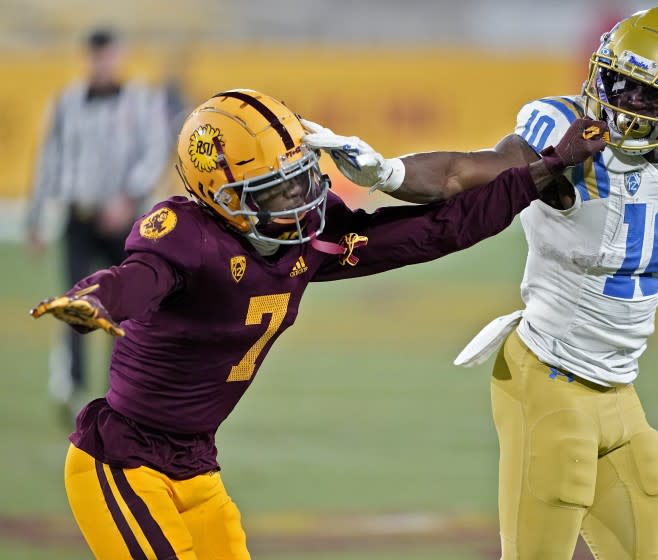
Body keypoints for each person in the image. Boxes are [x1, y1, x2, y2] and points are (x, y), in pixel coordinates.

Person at [29, 89, 608, 559]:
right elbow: (140, 275)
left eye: (301, 178)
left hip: (196, 465)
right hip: (124, 460)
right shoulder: (188, 238)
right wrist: (98, 299)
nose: (299, 199)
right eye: (274, 190)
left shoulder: (308, 237)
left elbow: (434, 231)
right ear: (220, 196)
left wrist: (545, 170)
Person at [302, 7, 658, 559]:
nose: (621, 103)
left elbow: (643, 235)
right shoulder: (569, 141)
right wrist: (386, 173)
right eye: (616, 81)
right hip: (549, 376)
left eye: (645, 95)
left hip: (620, 389)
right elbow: (463, 173)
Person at [26, 27, 169, 421]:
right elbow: (50, 159)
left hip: (124, 218)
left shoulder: (140, 101)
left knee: (123, 306)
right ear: (88, 57)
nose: (102, 63)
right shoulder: (68, 102)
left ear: (119, 56)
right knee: (74, 301)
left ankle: (118, 390)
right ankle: (70, 386)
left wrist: (129, 197)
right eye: (96, 55)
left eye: (108, 55)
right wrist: (36, 217)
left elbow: (154, 151)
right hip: (79, 214)